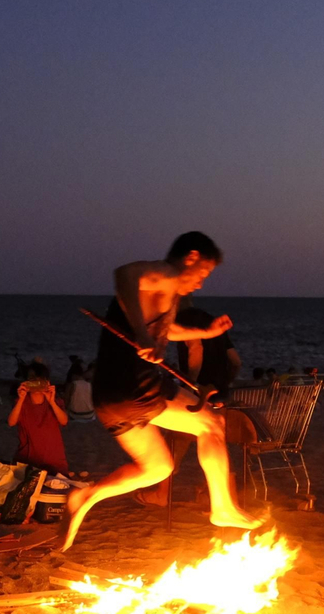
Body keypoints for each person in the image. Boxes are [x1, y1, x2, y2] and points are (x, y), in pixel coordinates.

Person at [63, 232, 264, 550]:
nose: (200, 284)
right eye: (203, 274)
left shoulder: (161, 291)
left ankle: (88, 495)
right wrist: (142, 336)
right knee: (211, 423)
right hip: (134, 387)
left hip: (111, 397)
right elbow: (124, 274)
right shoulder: (166, 273)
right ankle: (222, 507)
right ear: (192, 257)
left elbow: (166, 330)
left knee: (158, 467)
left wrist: (206, 332)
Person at [8, 361, 69, 472]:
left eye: (38, 378)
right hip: (27, 457)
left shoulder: (55, 401)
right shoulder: (21, 402)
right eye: (31, 378)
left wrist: (52, 402)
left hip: (53, 457)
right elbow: (11, 422)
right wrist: (21, 398)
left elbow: (64, 421)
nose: (35, 381)